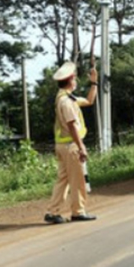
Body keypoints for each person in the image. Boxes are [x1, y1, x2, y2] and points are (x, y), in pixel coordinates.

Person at [44, 61, 98, 224]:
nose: (76, 81)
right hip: (70, 146)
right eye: (74, 78)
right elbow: (72, 125)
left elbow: (89, 101)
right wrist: (81, 147)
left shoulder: (65, 97)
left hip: (62, 145)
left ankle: (53, 212)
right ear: (70, 80)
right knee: (78, 180)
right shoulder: (66, 102)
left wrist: (94, 82)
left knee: (63, 180)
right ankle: (78, 211)